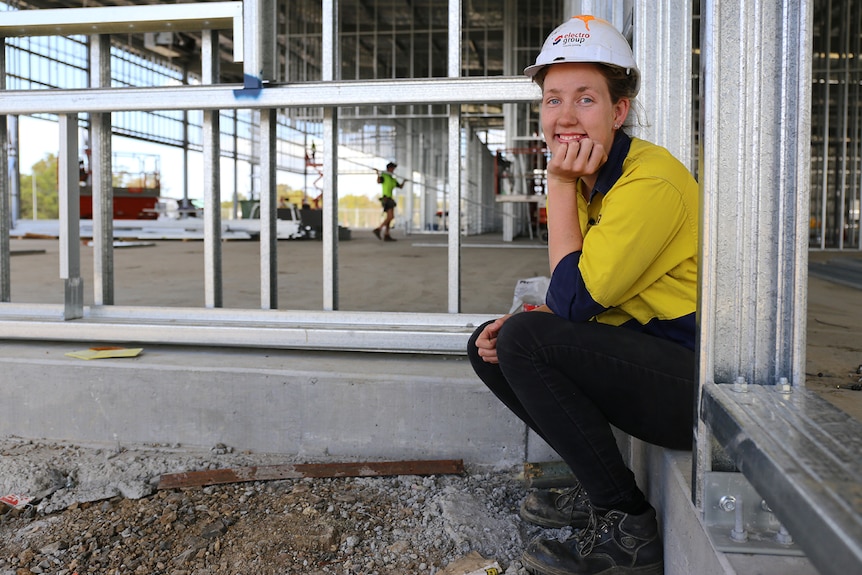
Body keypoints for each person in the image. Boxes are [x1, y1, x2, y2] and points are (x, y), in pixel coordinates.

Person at [467, 15, 698, 575]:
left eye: (586, 99)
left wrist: (560, 186)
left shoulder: (649, 182)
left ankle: (627, 528)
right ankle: (597, 485)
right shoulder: (599, 175)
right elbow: (581, 295)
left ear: (619, 111)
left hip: (694, 389)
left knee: (525, 339)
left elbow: (574, 299)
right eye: (552, 100)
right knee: (491, 343)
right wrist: (537, 316)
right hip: (646, 353)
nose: (565, 117)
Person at [373, 161, 405, 241]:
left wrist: (404, 181)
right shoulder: (385, 176)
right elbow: (379, 181)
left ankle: (387, 234)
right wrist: (378, 174)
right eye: (392, 168)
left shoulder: (393, 179)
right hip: (386, 199)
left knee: (389, 218)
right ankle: (379, 229)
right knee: (391, 217)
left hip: (390, 199)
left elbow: (400, 186)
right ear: (389, 168)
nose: (393, 170)